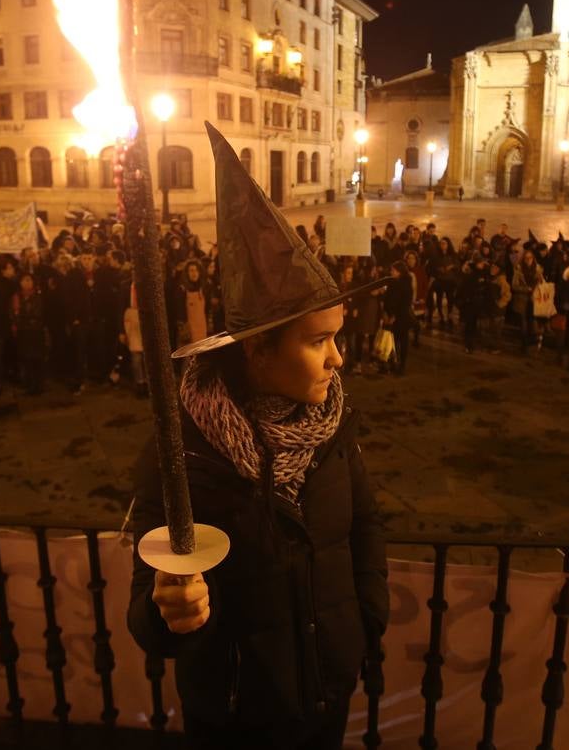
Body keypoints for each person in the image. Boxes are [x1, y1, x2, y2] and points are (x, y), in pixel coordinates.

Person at [129, 126, 388, 750]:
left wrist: (364, 625)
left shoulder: (333, 432)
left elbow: (363, 530)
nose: (338, 361)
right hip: (235, 715)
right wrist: (171, 612)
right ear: (258, 351)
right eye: (317, 341)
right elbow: (148, 616)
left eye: (337, 337)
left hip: (326, 693)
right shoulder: (185, 452)